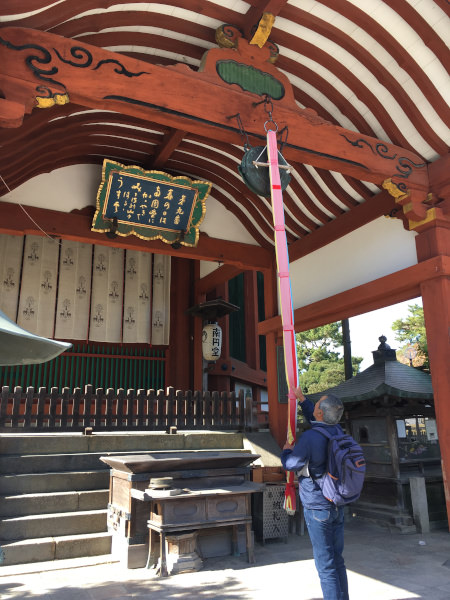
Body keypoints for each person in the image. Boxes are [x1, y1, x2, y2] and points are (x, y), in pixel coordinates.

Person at [281, 386, 349, 600]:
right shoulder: (338, 431)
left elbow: (292, 464)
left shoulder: (311, 438)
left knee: (325, 564)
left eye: (317, 404)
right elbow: (316, 417)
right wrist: (302, 400)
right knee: (337, 560)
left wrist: (285, 450)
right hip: (337, 502)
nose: (315, 405)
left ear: (320, 413)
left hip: (318, 505)